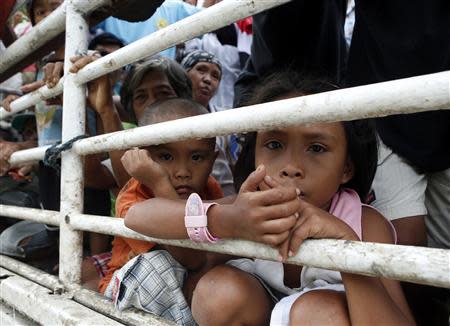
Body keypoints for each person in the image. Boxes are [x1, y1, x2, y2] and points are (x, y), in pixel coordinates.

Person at [125, 71, 414, 325]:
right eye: (274, 144)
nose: (291, 166)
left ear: (346, 168)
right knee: (218, 292)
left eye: (316, 148)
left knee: (317, 313)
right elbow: (137, 216)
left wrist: (347, 251)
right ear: (255, 157)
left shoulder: (363, 222)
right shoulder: (250, 208)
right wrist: (227, 219)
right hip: (259, 310)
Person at [99, 98, 223, 324]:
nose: (183, 172)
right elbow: (191, 258)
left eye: (197, 157)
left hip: (181, 289)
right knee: (159, 264)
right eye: (166, 157)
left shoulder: (209, 188)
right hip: (127, 295)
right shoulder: (133, 197)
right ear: (143, 158)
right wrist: (159, 184)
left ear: (213, 160)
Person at [181, 50, 237, 195]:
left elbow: (234, 162)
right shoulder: (168, 115)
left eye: (215, 76)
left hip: (225, 198)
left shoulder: (225, 119)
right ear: (184, 73)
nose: (208, 79)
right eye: (201, 70)